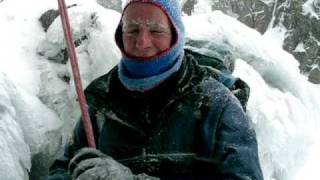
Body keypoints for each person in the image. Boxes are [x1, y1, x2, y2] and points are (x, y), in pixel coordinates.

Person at [47, 0, 264, 179]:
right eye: (132, 29)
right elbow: (64, 168)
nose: (142, 42)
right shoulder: (101, 102)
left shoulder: (217, 105)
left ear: (175, 35)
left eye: (155, 30)